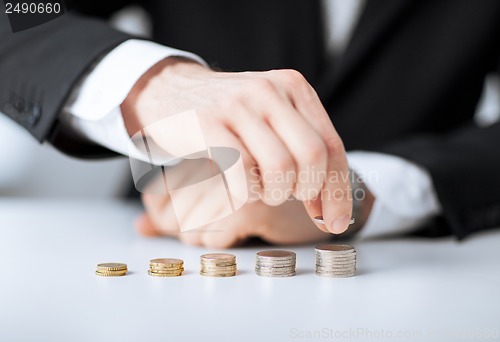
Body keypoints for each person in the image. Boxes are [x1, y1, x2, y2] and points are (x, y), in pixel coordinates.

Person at [1, 0, 499, 248]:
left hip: (425, 262)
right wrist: (152, 85)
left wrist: (370, 188)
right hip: (167, 240)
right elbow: (17, 11)